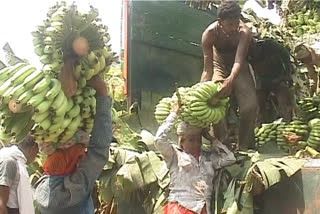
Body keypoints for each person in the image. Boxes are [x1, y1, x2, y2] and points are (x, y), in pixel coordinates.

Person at [34, 75, 112, 214]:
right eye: (80, 155)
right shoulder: (74, 190)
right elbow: (99, 150)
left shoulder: (42, 191)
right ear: (74, 163)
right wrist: (102, 94)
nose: (83, 157)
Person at [154, 103, 236, 214]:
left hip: (203, 209)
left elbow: (230, 158)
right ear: (182, 142)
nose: (196, 144)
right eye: (191, 140)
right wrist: (173, 114)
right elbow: (159, 139)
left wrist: (211, 139)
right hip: (180, 207)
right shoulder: (175, 155)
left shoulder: (208, 158)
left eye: (199, 140)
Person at [200, 0, 258, 149]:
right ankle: (221, 142)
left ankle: (244, 145)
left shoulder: (244, 32)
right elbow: (207, 68)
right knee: (214, 101)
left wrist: (230, 80)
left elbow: (239, 60)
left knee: (250, 106)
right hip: (218, 64)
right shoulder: (209, 34)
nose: (234, 27)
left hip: (239, 66)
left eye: (236, 22)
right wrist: (201, 90)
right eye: (230, 24)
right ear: (220, 22)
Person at [251, 39, 293, 122]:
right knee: (258, 105)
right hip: (261, 80)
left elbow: (285, 54)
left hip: (278, 76)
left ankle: (289, 123)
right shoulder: (246, 53)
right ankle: (258, 127)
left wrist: (288, 73)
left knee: (284, 102)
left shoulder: (269, 45)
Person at [0, 136, 39, 214]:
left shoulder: (17, 160)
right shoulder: (10, 161)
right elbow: (1, 199)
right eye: (37, 152)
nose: (35, 157)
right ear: (34, 148)